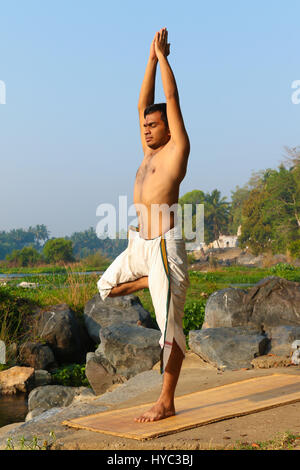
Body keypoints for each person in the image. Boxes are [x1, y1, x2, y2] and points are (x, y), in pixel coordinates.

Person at [97, 27, 190, 422]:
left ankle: (166, 402)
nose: (148, 128)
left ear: (168, 128)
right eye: (146, 126)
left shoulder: (176, 151)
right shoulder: (146, 153)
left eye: (155, 125)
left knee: (169, 330)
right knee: (104, 288)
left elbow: (170, 99)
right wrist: (149, 58)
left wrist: (165, 58)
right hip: (140, 246)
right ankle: (150, 281)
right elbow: (142, 105)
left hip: (165, 245)